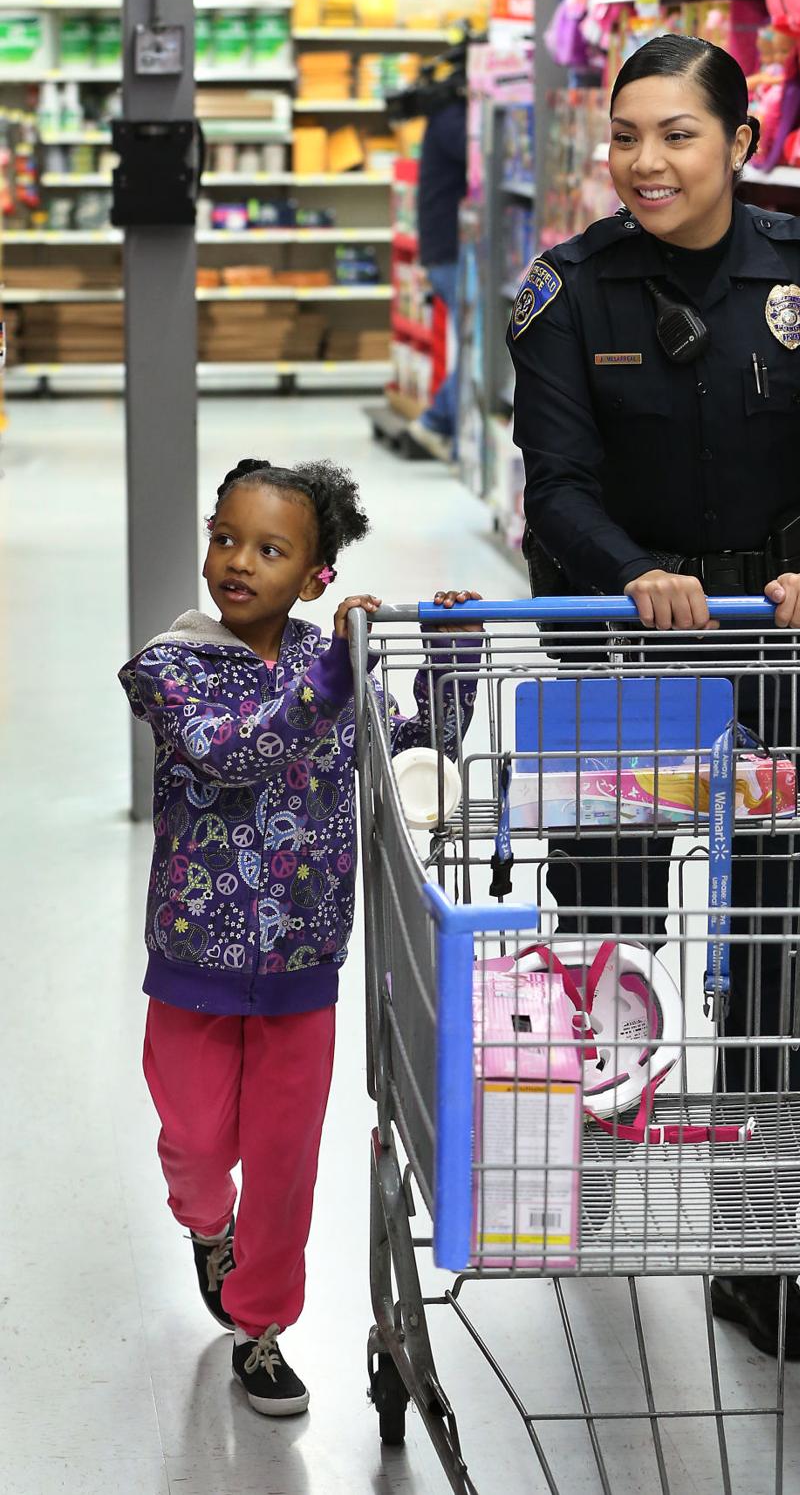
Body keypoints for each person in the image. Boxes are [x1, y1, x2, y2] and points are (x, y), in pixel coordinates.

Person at [507, 34, 800, 1360]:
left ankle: (756, 1251)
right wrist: (635, 577)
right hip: (621, 649)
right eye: (627, 135)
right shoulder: (564, 291)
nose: (645, 161)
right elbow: (555, 483)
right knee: (610, 930)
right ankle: (613, 1192)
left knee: (790, 947)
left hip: (786, 649)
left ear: (737, 141)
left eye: (677, 133)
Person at [119, 457, 480, 1416]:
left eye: (270, 549)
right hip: (193, 962)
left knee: (284, 1164)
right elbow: (230, 749)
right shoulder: (171, 663)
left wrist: (453, 659)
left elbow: (414, 764)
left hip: (303, 970)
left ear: (317, 576)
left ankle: (261, 1327)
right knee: (198, 1144)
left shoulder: (337, 664)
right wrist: (332, 673)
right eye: (226, 538)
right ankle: (206, 1225)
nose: (238, 561)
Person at [407, 94, 468, 461]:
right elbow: (481, 154)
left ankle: (439, 421)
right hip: (451, 249)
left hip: (448, 248)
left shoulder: (445, 115)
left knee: (476, 341)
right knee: (482, 343)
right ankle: (435, 421)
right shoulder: (451, 118)